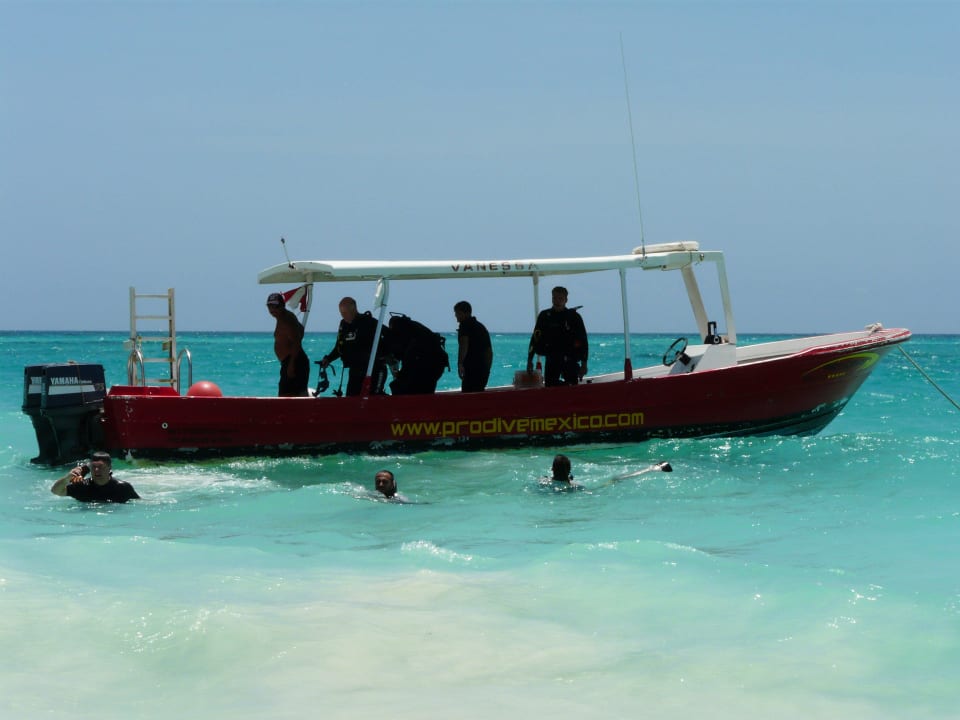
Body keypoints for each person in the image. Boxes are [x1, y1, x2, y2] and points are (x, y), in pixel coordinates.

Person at [320, 297, 388, 397]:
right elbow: (339, 348)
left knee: (373, 400)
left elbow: (387, 335)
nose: (343, 316)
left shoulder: (368, 322)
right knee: (352, 401)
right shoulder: (344, 325)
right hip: (355, 371)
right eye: (341, 313)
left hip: (374, 370)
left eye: (345, 312)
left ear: (354, 309)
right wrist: (329, 359)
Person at [526, 286, 588, 387]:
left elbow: (583, 341)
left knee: (571, 389)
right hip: (552, 359)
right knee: (550, 388)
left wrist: (584, 364)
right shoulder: (545, 316)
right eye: (554, 298)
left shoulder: (574, 317)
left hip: (570, 359)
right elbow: (535, 338)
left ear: (566, 300)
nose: (557, 301)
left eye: (560, 299)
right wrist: (529, 360)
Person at [384, 314, 449, 395]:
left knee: (398, 386)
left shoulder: (401, 332)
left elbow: (408, 359)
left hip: (425, 365)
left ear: (391, 326)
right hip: (438, 363)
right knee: (426, 392)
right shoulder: (414, 327)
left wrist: (400, 374)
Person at [51, 451, 140, 503]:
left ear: (109, 467)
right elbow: (56, 491)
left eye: (100, 467)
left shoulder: (123, 488)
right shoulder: (82, 486)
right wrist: (67, 478)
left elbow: (138, 503)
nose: (97, 470)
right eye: (94, 467)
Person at [267, 292, 310, 397]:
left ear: (282, 305)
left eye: (276, 306)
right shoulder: (284, 317)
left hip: (294, 362)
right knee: (289, 396)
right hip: (290, 362)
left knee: (286, 397)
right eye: (270, 306)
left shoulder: (286, 319)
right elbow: (300, 331)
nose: (273, 310)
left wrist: (291, 365)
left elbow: (297, 342)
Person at [454, 300, 493, 392]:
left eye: (458, 313)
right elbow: (489, 351)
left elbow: (464, 345)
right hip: (483, 369)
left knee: (467, 396)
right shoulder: (480, 327)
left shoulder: (465, 325)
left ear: (466, 313)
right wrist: (487, 370)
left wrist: (460, 364)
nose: (456, 316)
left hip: (471, 369)